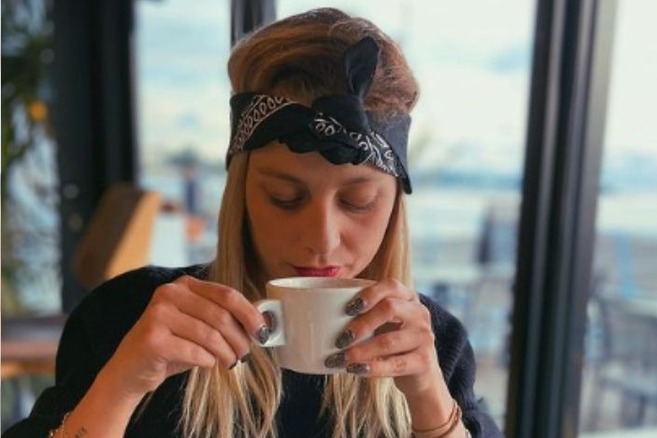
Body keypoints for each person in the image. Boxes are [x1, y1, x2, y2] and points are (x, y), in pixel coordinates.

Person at [4, 7, 503, 438]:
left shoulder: (433, 344)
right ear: (240, 192)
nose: (320, 239)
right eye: (284, 198)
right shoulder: (130, 320)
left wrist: (429, 401)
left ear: (394, 207)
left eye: (358, 202)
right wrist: (122, 384)